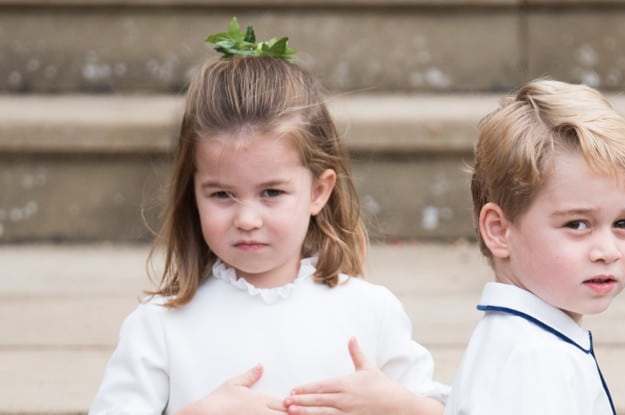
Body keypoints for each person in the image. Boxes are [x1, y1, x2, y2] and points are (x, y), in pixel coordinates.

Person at [89, 18, 447, 415]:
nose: (246, 218)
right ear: (193, 193)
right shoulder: (159, 327)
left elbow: (447, 406)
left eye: (271, 193)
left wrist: (401, 407)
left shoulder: (370, 311)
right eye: (222, 194)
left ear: (318, 191)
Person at [444, 79, 625, 415]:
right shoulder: (537, 359)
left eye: (623, 223)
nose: (608, 251)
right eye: (577, 224)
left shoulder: (521, 339)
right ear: (499, 231)